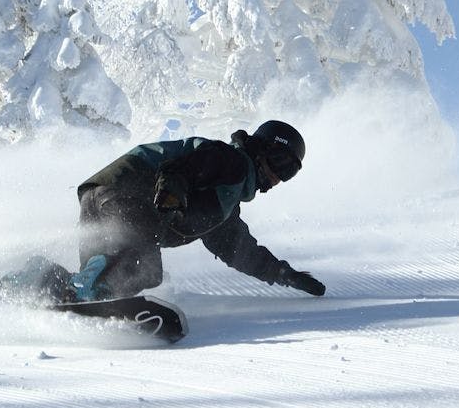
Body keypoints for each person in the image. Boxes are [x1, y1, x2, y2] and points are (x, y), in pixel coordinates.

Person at [67, 120, 325, 302]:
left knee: (94, 280)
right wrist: (170, 196)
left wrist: (283, 274)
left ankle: (56, 288)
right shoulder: (228, 160)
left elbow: (241, 251)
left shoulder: (224, 205)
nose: (277, 177)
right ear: (262, 149)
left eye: (288, 173)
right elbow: (178, 169)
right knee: (144, 269)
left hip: (98, 195)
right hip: (126, 192)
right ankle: (97, 288)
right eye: (280, 163)